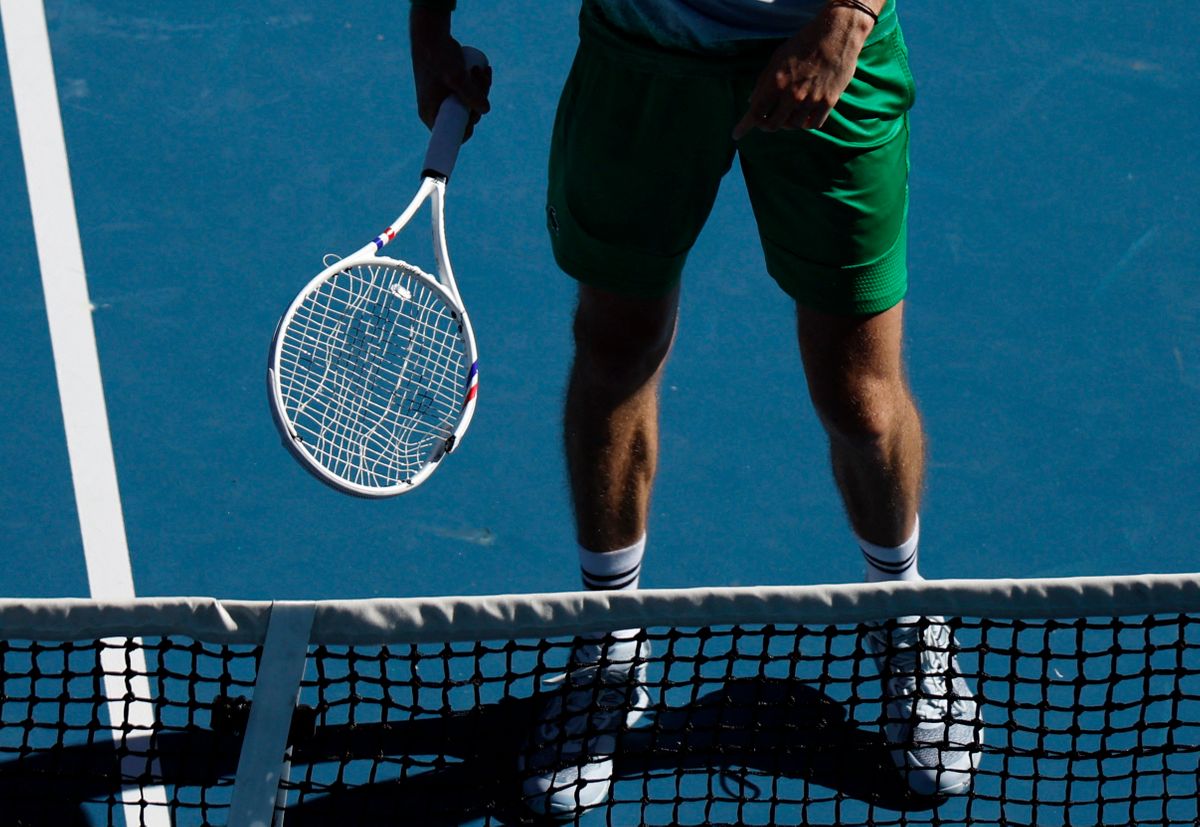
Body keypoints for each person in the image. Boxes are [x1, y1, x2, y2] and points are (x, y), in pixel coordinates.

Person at [409, 0, 983, 815]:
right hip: (645, 48)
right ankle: (610, 644)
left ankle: (904, 606)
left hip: (822, 40)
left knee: (858, 391)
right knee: (614, 347)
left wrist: (849, 17)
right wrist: (430, 26)